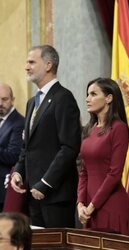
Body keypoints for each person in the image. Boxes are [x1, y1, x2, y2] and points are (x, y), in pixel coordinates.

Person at [10, 45, 81, 228]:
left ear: (48, 65)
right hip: (33, 194)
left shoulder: (64, 98)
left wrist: (45, 183)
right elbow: (28, 145)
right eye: (27, 62)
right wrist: (19, 171)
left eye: (32, 62)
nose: (26, 67)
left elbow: (69, 148)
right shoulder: (32, 102)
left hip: (55, 195)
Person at [77, 78, 129, 235]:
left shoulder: (119, 128)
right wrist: (80, 204)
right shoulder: (89, 129)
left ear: (109, 98)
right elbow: (83, 171)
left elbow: (114, 174)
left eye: (93, 94)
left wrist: (92, 206)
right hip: (88, 210)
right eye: (87, 94)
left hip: (110, 206)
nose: (88, 99)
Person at [0, 83, 24, 212]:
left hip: (5, 189)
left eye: (4, 99)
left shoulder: (19, 122)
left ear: (12, 100)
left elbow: (14, 155)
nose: (0, 103)